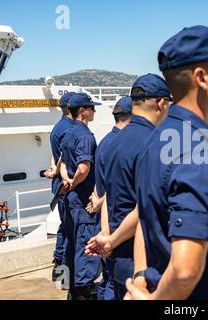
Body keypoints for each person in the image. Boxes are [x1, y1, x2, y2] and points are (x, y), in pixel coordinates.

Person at [124, 25, 208, 300]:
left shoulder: (153, 142)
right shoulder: (198, 151)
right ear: (201, 77)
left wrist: (142, 274)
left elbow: (146, 221)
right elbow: (185, 270)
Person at [85, 74, 171, 300]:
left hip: (114, 255)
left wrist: (106, 235)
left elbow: (108, 197)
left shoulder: (112, 142)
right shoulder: (156, 143)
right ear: (162, 104)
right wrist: (111, 241)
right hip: (141, 260)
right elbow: (145, 208)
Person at [86, 96, 133, 300]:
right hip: (125, 226)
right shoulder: (128, 145)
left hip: (106, 222)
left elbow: (101, 187)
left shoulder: (105, 143)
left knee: (109, 279)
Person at [60, 92, 101, 300]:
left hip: (70, 202)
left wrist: (66, 180)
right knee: (86, 247)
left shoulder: (68, 133)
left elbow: (64, 163)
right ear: (83, 111)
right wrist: (74, 183)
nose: (95, 111)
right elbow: (84, 169)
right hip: (83, 201)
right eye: (92, 108)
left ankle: (71, 290)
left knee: (71, 244)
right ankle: (82, 294)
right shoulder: (85, 136)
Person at [46, 91, 74, 283]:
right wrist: (57, 171)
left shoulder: (58, 127)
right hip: (68, 186)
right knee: (70, 233)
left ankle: (60, 279)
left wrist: (53, 170)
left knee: (64, 229)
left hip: (60, 187)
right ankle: (64, 281)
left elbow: (55, 156)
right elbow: (64, 157)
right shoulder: (69, 129)